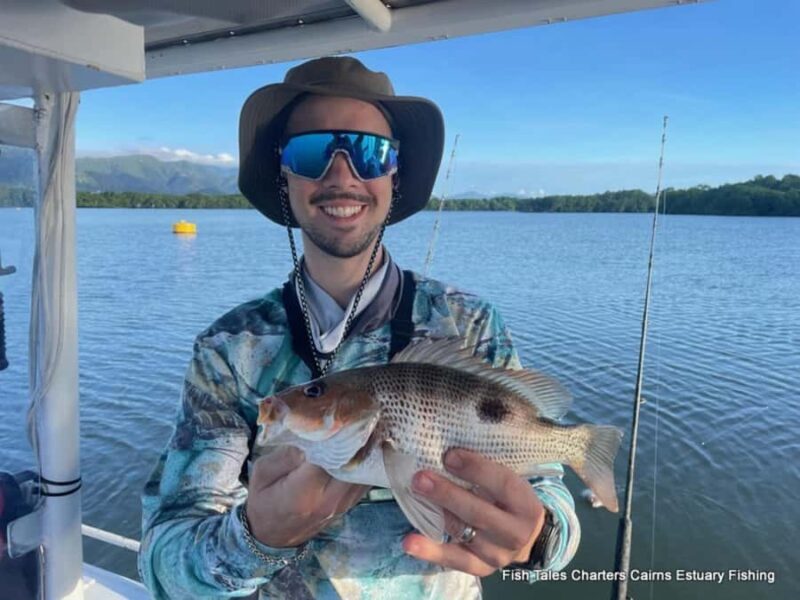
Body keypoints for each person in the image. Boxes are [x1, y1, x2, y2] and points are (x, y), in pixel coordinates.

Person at [138, 56, 580, 599]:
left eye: (369, 153)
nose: (341, 175)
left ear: (394, 175)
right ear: (284, 172)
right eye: (311, 152)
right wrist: (256, 539)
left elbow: (548, 490)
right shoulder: (229, 350)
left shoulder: (470, 324)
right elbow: (163, 564)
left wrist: (537, 540)